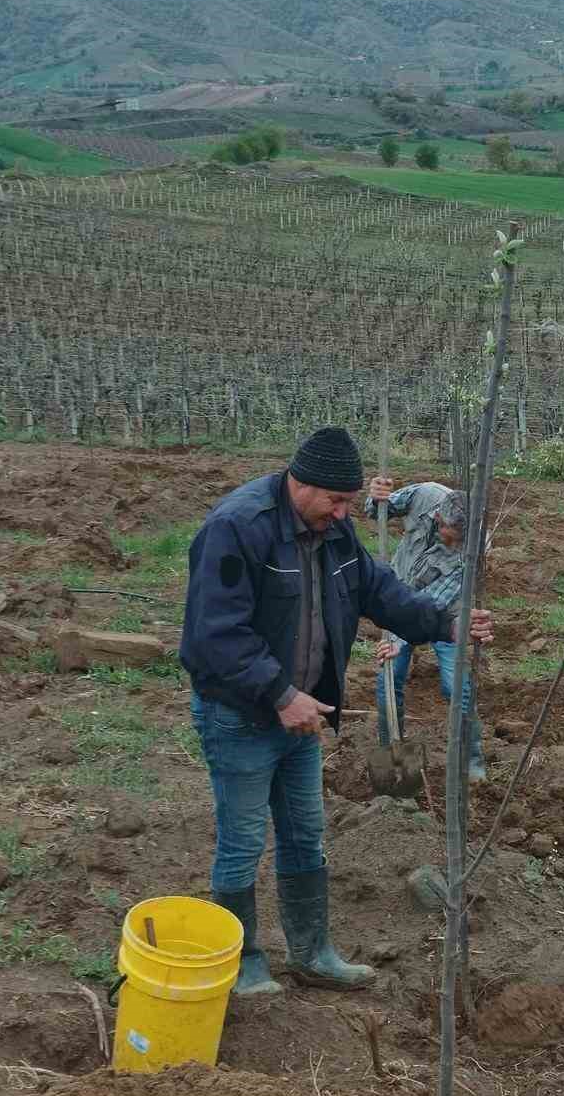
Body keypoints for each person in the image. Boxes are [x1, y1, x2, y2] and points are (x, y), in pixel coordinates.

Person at [181, 427, 493, 999]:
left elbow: (381, 593)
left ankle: (311, 952)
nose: (347, 512)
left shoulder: (335, 531)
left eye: (351, 501)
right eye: (337, 500)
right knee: (243, 839)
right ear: (301, 484)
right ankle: (244, 960)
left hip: (304, 714)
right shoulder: (237, 528)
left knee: (305, 835)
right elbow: (214, 636)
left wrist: (446, 622)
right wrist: (280, 694)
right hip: (243, 715)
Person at [365, 476, 486, 782]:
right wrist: (378, 499)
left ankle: (470, 759)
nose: (456, 545)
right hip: (399, 593)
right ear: (437, 517)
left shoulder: (474, 547)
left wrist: (397, 634)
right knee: (388, 680)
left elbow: (433, 606)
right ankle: (391, 753)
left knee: (456, 686)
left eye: (462, 540)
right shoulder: (425, 494)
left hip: (448, 614)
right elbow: (381, 510)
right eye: (450, 537)